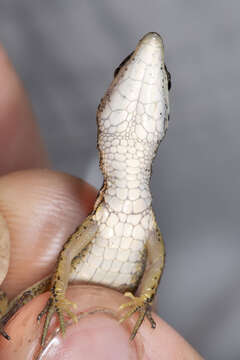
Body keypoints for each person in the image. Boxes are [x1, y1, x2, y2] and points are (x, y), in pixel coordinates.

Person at [0, 44, 203, 360]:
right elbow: (70, 257)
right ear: (104, 107)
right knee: (16, 307)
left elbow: (155, 263)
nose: (151, 54)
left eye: (166, 79)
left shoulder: (131, 225)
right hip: (54, 299)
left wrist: (143, 298)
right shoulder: (123, 223)